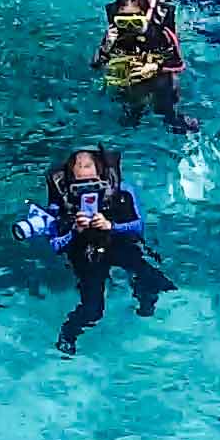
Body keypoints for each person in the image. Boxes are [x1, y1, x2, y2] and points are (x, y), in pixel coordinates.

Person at [22, 149, 169, 354]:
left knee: (157, 281)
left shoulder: (122, 190)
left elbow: (138, 226)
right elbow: (56, 245)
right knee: (93, 309)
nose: (87, 189)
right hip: (85, 252)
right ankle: (68, 334)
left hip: (117, 243)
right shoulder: (60, 203)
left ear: (101, 175)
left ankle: (144, 299)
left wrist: (111, 226)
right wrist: (75, 230)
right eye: (79, 182)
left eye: (91, 181)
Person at [94, 0, 198, 133]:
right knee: (131, 108)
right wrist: (106, 47)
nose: (129, 27)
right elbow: (96, 65)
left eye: (135, 21)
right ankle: (134, 114)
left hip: (160, 77)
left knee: (165, 97)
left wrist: (156, 67)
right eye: (123, 21)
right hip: (132, 81)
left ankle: (171, 115)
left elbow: (178, 64)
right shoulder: (114, 34)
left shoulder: (160, 33)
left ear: (145, 16)